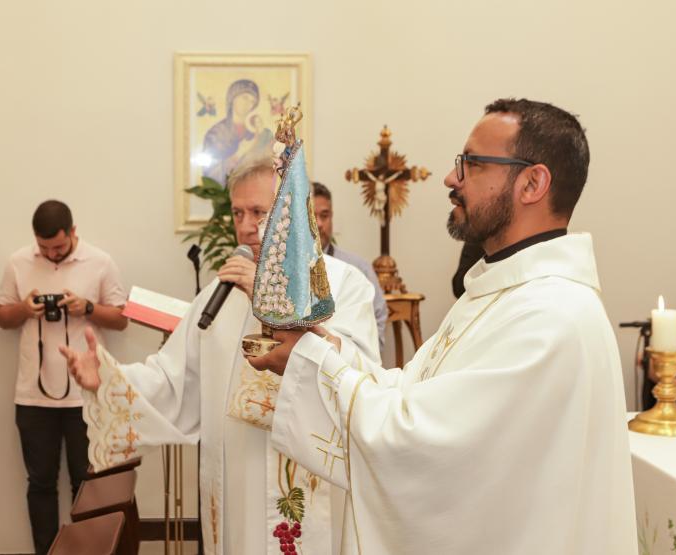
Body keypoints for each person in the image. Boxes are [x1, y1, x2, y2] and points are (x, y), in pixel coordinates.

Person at [249, 99, 638, 553]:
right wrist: (326, 349)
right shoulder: (497, 292)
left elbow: (422, 446)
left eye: (471, 164)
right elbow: (415, 395)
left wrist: (310, 362)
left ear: (533, 182)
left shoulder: (551, 318)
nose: (452, 179)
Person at [59, 160, 380, 555]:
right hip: (233, 485)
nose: (245, 226)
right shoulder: (220, 294)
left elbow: (360, 377)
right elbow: (173, 378)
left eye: (259, 213)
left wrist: (269, 301)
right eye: (238, 212)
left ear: (292, 213)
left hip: (303, 490)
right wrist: (107, 380)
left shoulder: (341, 283)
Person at [0, 200, 128, 555]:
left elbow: (120, 318)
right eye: (44, 248)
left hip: (85, 396)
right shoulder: (18, 262)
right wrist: (25, 309)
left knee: (88, 484)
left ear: (72, 233)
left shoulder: (99, 261)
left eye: (58, 246)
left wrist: (86, 308)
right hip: (33, 396)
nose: (52, 253)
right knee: (40, 483)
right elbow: (2, 317)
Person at [312, 181, 388, 351]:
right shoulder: (287, 270)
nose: (319, 223)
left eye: (324, 215)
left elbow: (379, 317)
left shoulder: (358, 267)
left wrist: (363, 358)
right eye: (311, 215)